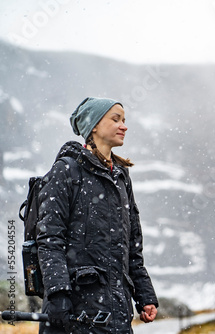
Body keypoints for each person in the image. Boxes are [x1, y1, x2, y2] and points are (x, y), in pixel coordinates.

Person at [37, 97, 159, 333]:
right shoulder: (66, 170)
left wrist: (145, 295)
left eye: (124, 120)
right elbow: (50, 239)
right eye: (116, 119)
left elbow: (132, 247)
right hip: (76, 313)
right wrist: (59, 295)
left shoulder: (121, 177)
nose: (124, 126)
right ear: (93, 125)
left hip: (118, 314)